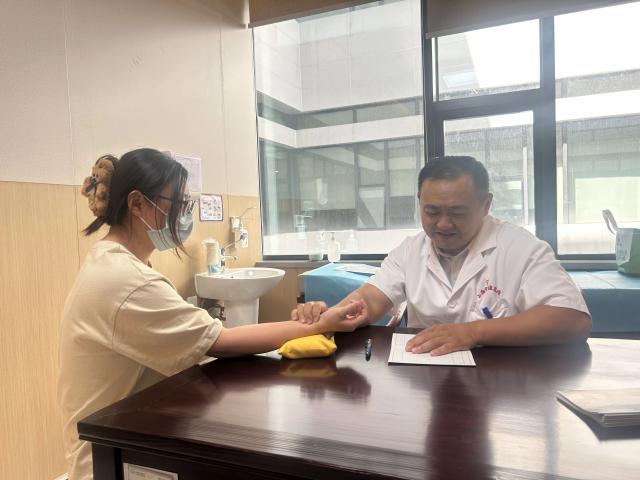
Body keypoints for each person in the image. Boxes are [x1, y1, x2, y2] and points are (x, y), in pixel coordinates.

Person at [57, 148, 364, 480]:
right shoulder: (124, 279)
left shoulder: (115, 263)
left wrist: (309, 323)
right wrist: (319, 324)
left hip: (125, 437)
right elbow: (221, 341)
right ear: (137, 204)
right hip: (109, 460)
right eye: (178, 204)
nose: (183, 217)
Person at [292, 156, 591, 355]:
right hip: (425, 376)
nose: (443, 224)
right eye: (432, 212)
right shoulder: (410, 250)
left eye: (458, 212)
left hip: (502, 385)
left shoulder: (520, 247)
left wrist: (473, 332)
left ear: (486, 205)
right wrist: (331, 315)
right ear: (419, 202)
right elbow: (370, 299)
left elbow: (572, 319)